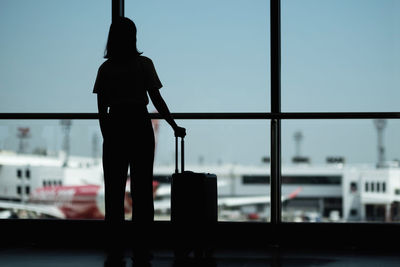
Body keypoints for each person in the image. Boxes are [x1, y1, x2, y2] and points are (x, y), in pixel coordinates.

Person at [93, 17, 186, 260]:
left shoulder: (105, 69)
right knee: (142, 189)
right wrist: (174, 125)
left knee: (114, 191)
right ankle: (142, 244)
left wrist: (108, 135)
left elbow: (102, 109)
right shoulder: (144, 64)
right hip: (139, 124)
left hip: (116, 126)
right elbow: (157, 100)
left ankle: (114, 244)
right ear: (133, 37)